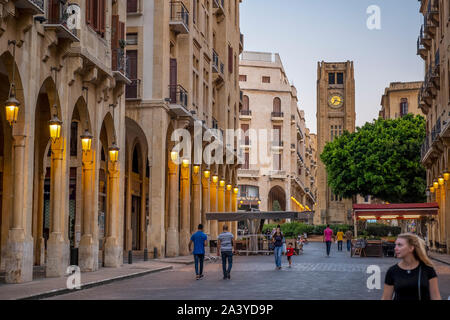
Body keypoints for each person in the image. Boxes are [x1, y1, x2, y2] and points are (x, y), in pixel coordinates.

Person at [382, 233, 441, 300]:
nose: (395, 248)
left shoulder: (428, 269)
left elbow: (436, 297)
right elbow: (386, 298)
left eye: (399, 245)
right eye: (396, 245)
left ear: (411, 248)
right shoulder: (392, 271)